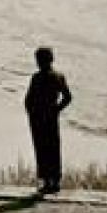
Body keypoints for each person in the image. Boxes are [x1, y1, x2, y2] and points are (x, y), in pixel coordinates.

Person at [24, 46, 72, 194]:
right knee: (52, 148)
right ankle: (53, 181)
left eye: (39, 60)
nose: (38, 63)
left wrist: (32, 113)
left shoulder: (38, 77)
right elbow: (67, 98)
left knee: (43, 149)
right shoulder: (57, 76)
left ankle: (48, 180)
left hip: (40, 117)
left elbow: (28, 100)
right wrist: (56, 109)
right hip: (48, 117)